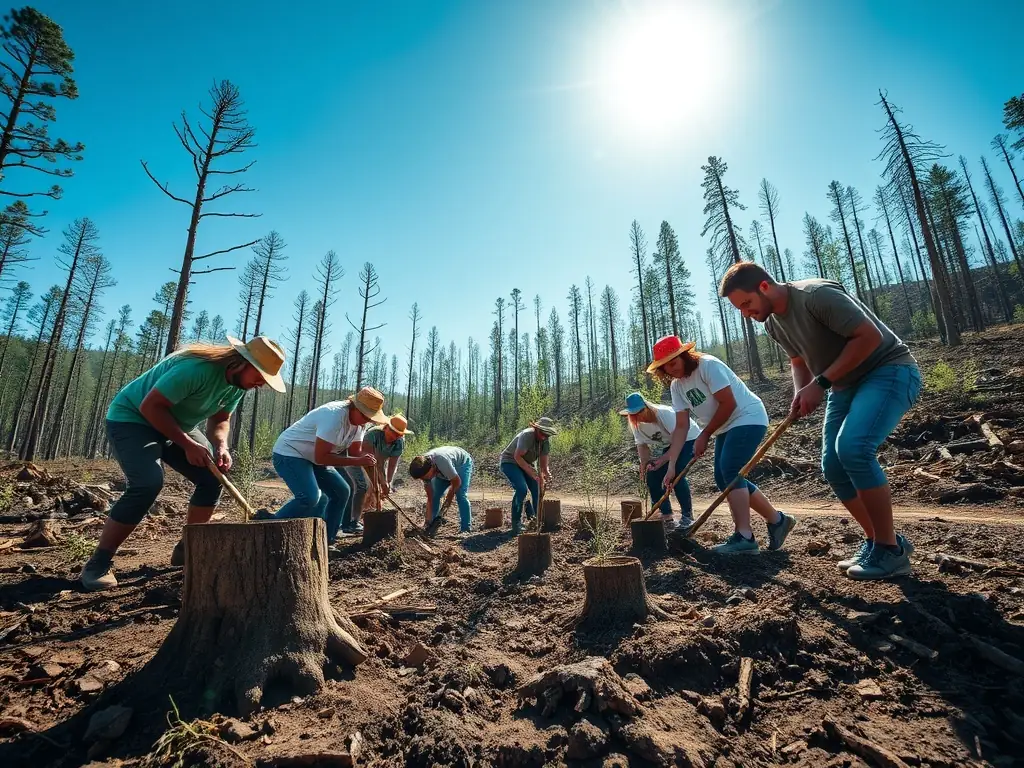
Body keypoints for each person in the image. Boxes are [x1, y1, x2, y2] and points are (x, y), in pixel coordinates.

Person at [720, 261, 921, 580]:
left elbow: (867, 336)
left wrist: (821, 383)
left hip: (888, 371)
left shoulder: (815, 295)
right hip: (843, 386)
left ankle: (890, 552)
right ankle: (881, 542)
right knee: (833, 466)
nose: (745, 313)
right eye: (739, 309)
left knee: (853, 449)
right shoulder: (773, 323)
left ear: (764, 287)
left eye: (746, 304)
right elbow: (797, 360)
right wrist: (802, 392)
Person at [79, 336, 287, 591]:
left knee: (212, 479)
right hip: (133, 419)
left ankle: (187, 549)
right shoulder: (195, 369)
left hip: (178, 426)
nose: (261, 384)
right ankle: (98, 563)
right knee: (147, 483)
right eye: (261, 376)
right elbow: (151, 407)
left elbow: (221, 419)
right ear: (243, 362)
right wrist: (188, 444)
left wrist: (221, 446)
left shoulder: (236, 385)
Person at [649, 335, 796, 555]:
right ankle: (778, 521)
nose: (671, 369)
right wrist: (671, 466)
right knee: (724, 477)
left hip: (747, 417)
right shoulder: (677, 387)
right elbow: (680, 428)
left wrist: (705, 434)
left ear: (684, 355)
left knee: (730, 470)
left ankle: (744, 537)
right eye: (665, 367)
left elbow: (729, 403)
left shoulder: (708, 365)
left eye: (674, 362)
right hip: (724, 427)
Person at [264, 387, 388, 543]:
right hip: (290, 453)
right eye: (366, 416)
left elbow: (356, 453)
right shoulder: (334, 416)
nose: (368, 421)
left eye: (371, 418)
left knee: (342, 491)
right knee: (310, 497)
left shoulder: (359, 425)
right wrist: (358, 461)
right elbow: (322, 457)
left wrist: (377, 481)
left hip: (314, 458)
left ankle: (326, 541)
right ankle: (269, 530)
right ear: (354, 407)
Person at [620, 392, 700, 530]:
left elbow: (678, 440)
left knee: (676, 474)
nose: (637, 416)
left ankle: (687, 516)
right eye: (633, 414)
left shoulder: (665, 414)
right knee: (653, 474)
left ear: (647, 407)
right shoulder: (636, 425)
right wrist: (644, 464)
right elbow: (642, 445)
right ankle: (665, 514)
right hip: (670, 444)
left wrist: (664, 460)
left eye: (640, 412)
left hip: (689, 439)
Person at [499, 417, 557, 535]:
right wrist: (534, 474)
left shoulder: (545, 442)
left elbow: (544, 466)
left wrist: (546, 474)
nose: (544, 436)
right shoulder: (527, 435)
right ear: (536, 429)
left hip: (526, 463)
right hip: (510, 461)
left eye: (547, 434)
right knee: (521, 489)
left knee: (537, 488)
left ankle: (537, 520)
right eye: (542, 433)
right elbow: (517, 457)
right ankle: (516, 524)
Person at [408, 446, 474, 534]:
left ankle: (465, 529)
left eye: (427, 477)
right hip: (442, 470)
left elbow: (456, 482)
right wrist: (427, 522)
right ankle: (431, 524)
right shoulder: (423, 469)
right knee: (435, 495)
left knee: (460, 495)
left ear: (432, 467)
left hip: (461, 465)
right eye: (423, 479)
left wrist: (448, 498)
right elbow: (430, 498)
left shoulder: (442, 461)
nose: (426, 480)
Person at [361, 414, 413, 511]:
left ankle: (374, 512)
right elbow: (370, 461)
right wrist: (381, 481)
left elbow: (392, 465)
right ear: (386, 428)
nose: (395, 436)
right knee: (370, 488)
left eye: (399, 434)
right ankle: (360, 513)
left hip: (380, 463)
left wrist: (388, 482)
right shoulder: (372, 435)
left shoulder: (399, 442)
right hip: (364, 461)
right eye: (393, 432)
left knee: (381, 491)